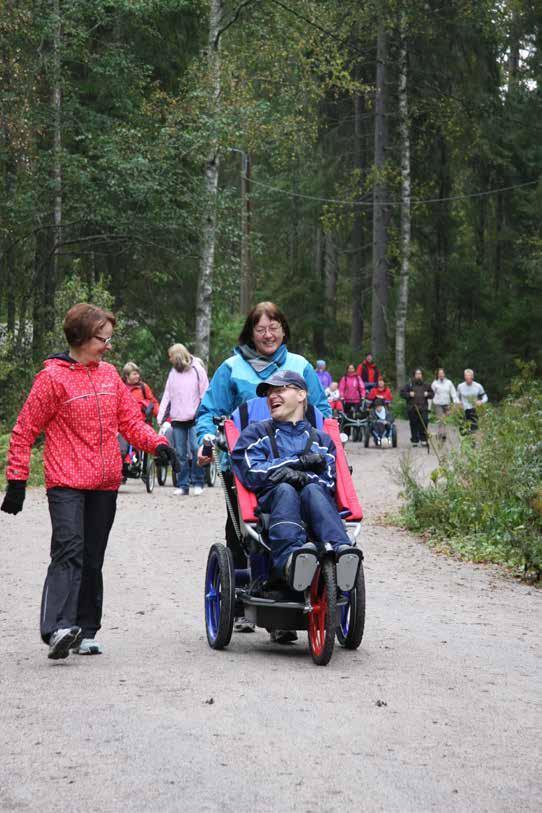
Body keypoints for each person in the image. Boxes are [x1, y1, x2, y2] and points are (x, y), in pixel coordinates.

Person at [0, 303, 178, 660]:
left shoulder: (110, 375)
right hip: (66, 481)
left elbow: (130, 423)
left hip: (104, 483)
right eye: (102, 339)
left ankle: (85, 630)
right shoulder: (52, 378)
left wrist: (158, 444)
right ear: (80, 337)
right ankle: (57, 628)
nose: (108, 346)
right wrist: (17, 479)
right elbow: (24, 431)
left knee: (92, 557)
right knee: (68, 550)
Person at [196, 301, 330, 638]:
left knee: (305, 515)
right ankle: (247, 603)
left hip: (298, 455)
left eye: (274, 328)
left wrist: (330, 441)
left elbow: (322, 410)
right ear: (250, 333)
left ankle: (298, 591)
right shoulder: (232, 368)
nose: (268, 334)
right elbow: (208, 410)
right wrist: (206, 439)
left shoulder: (300, 366)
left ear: (284, 330)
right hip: (245, 462)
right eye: (260, 329)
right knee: (244, 531)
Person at [231, 370, 362, 594]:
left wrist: (300, 476)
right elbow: (250, 471)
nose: (272, 396)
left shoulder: (322, 440)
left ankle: (342, 552)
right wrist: (298, 463)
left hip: (315, 507)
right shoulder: (255, 434)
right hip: (274, 507)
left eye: (280, 389)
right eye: (269, 392)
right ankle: (292, 560)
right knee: (285, 489)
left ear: (301, 395)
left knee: (313, 488)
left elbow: (329, 481)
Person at [157, 343, 209, 496]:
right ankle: (183, 485)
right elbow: (167, 394)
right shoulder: (173, 373)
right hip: (177, 418)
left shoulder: (197, 370)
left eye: (171, 356)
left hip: (194, 417)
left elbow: (205, 393)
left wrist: (204, 413)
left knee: (195, 449)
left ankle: (198, 481)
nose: (169, 359)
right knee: (180, 453)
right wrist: (161, 416)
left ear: (177, 356)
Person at [400, 368, 433, 446]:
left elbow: (432, 394)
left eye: (420, 374)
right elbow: (402, 393)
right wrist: (409, 394)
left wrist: (427, 394)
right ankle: (415, 440)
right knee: (413, 423)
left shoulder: (426, 385)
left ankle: (424, 440)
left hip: (423, 408)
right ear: (414, 375)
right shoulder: (409, 385)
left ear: (422, 375)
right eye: (417, 374)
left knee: (424, 422)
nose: (418, 375)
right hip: (412, 408)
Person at [431, 367, 458, 441]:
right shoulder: (435, 383)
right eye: (439, 374)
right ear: (438, 375)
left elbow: (453, 393)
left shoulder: (449, 382)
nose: (441, 375)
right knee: (441, 419)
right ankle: (442, 435)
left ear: (444, 374)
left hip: (447, 404)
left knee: (445, 420)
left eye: (442, 373)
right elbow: (431, 394)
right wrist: (429, 406)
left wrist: (456, 402)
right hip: (438, 404)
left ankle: (441, 433)